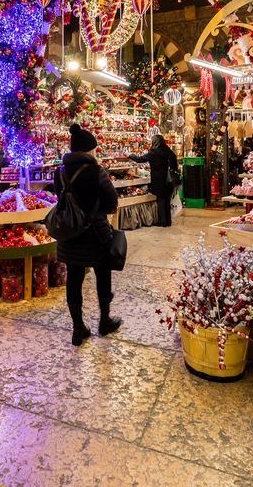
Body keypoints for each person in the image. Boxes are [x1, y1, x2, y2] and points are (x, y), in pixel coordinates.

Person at [54, 124, 121, 346]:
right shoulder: (96, 171)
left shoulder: (60, 173)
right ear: (89, 150)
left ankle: (77, 329)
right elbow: (111, 201)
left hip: (70, 233)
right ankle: (104, 321)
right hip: (95, 234)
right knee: (103, 274)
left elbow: (61, 201)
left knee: (74, 277)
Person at [127, 134, 180, 227]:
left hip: (158, 179)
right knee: (167, 200)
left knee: (160, 200)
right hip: (169, 179)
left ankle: (162, 222)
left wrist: (130, 155)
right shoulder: (168, 150)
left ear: (155, 142)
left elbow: (140, 159)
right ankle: (168, 221)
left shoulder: (153, 152)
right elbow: (174, 160)